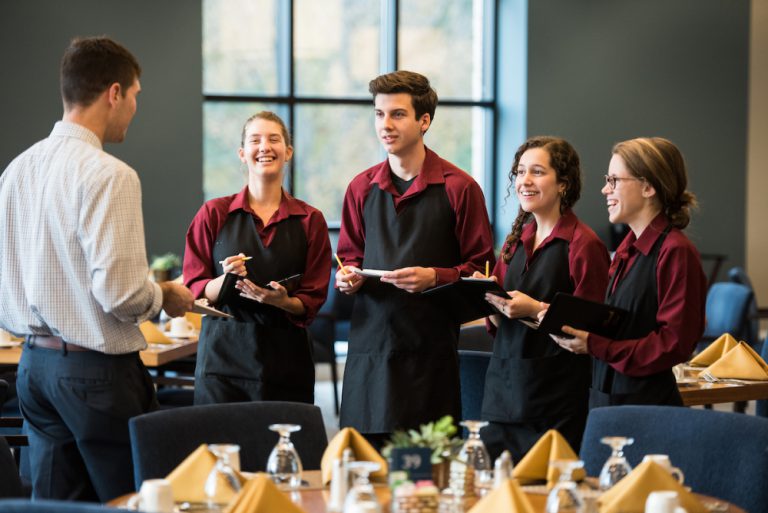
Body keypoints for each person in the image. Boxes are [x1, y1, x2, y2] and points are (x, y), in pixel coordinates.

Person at [0, 36, 194, 501]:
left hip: (34, 369)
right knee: (133, 500)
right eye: (135, 96)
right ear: (113, 92)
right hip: (96, 374)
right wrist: (166, 295)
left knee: (56, 506)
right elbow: (123, 296)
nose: (133, 108)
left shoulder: (16, 170)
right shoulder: (110, 174)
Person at [335, 70, 495, 448]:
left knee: (427, 483)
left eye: (397, 114)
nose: (385, 125)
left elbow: (483, 273)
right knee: (363, 477)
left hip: (430, 358)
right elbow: (346, 259)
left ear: (424, 121)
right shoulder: (360, 187)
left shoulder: (461, 188)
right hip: (369, 356)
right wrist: (346, 279)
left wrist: (436, 277)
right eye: (379, 114)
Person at [477, 137, 610, 462]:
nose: (524, 181)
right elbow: (496, 324)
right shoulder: (514, 242)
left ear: (563, 183)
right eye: (521, 171)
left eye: (537, 172)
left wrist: (535, 310)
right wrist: (486, 299)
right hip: (503, 392)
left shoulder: (584, 244)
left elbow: (590, 329)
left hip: (556, 398)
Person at [183, 111, 331, 405]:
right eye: (255, 140)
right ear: (242, 153)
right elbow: (194, 289)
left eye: (274, 139)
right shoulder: (213, 214)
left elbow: (312, 297)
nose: (264, 147)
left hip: (287, 362)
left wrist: (282, 302)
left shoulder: (310, 220)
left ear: (287, 152)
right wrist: (225, 279)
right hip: (223, 364)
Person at [552, 137, 706, 408]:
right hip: (607, 396)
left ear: (647, 186)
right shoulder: (628, 248)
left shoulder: (675, 251)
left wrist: (597, 345)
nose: (604, 190)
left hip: (645, 406)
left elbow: (674, 343)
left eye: (614, 180)